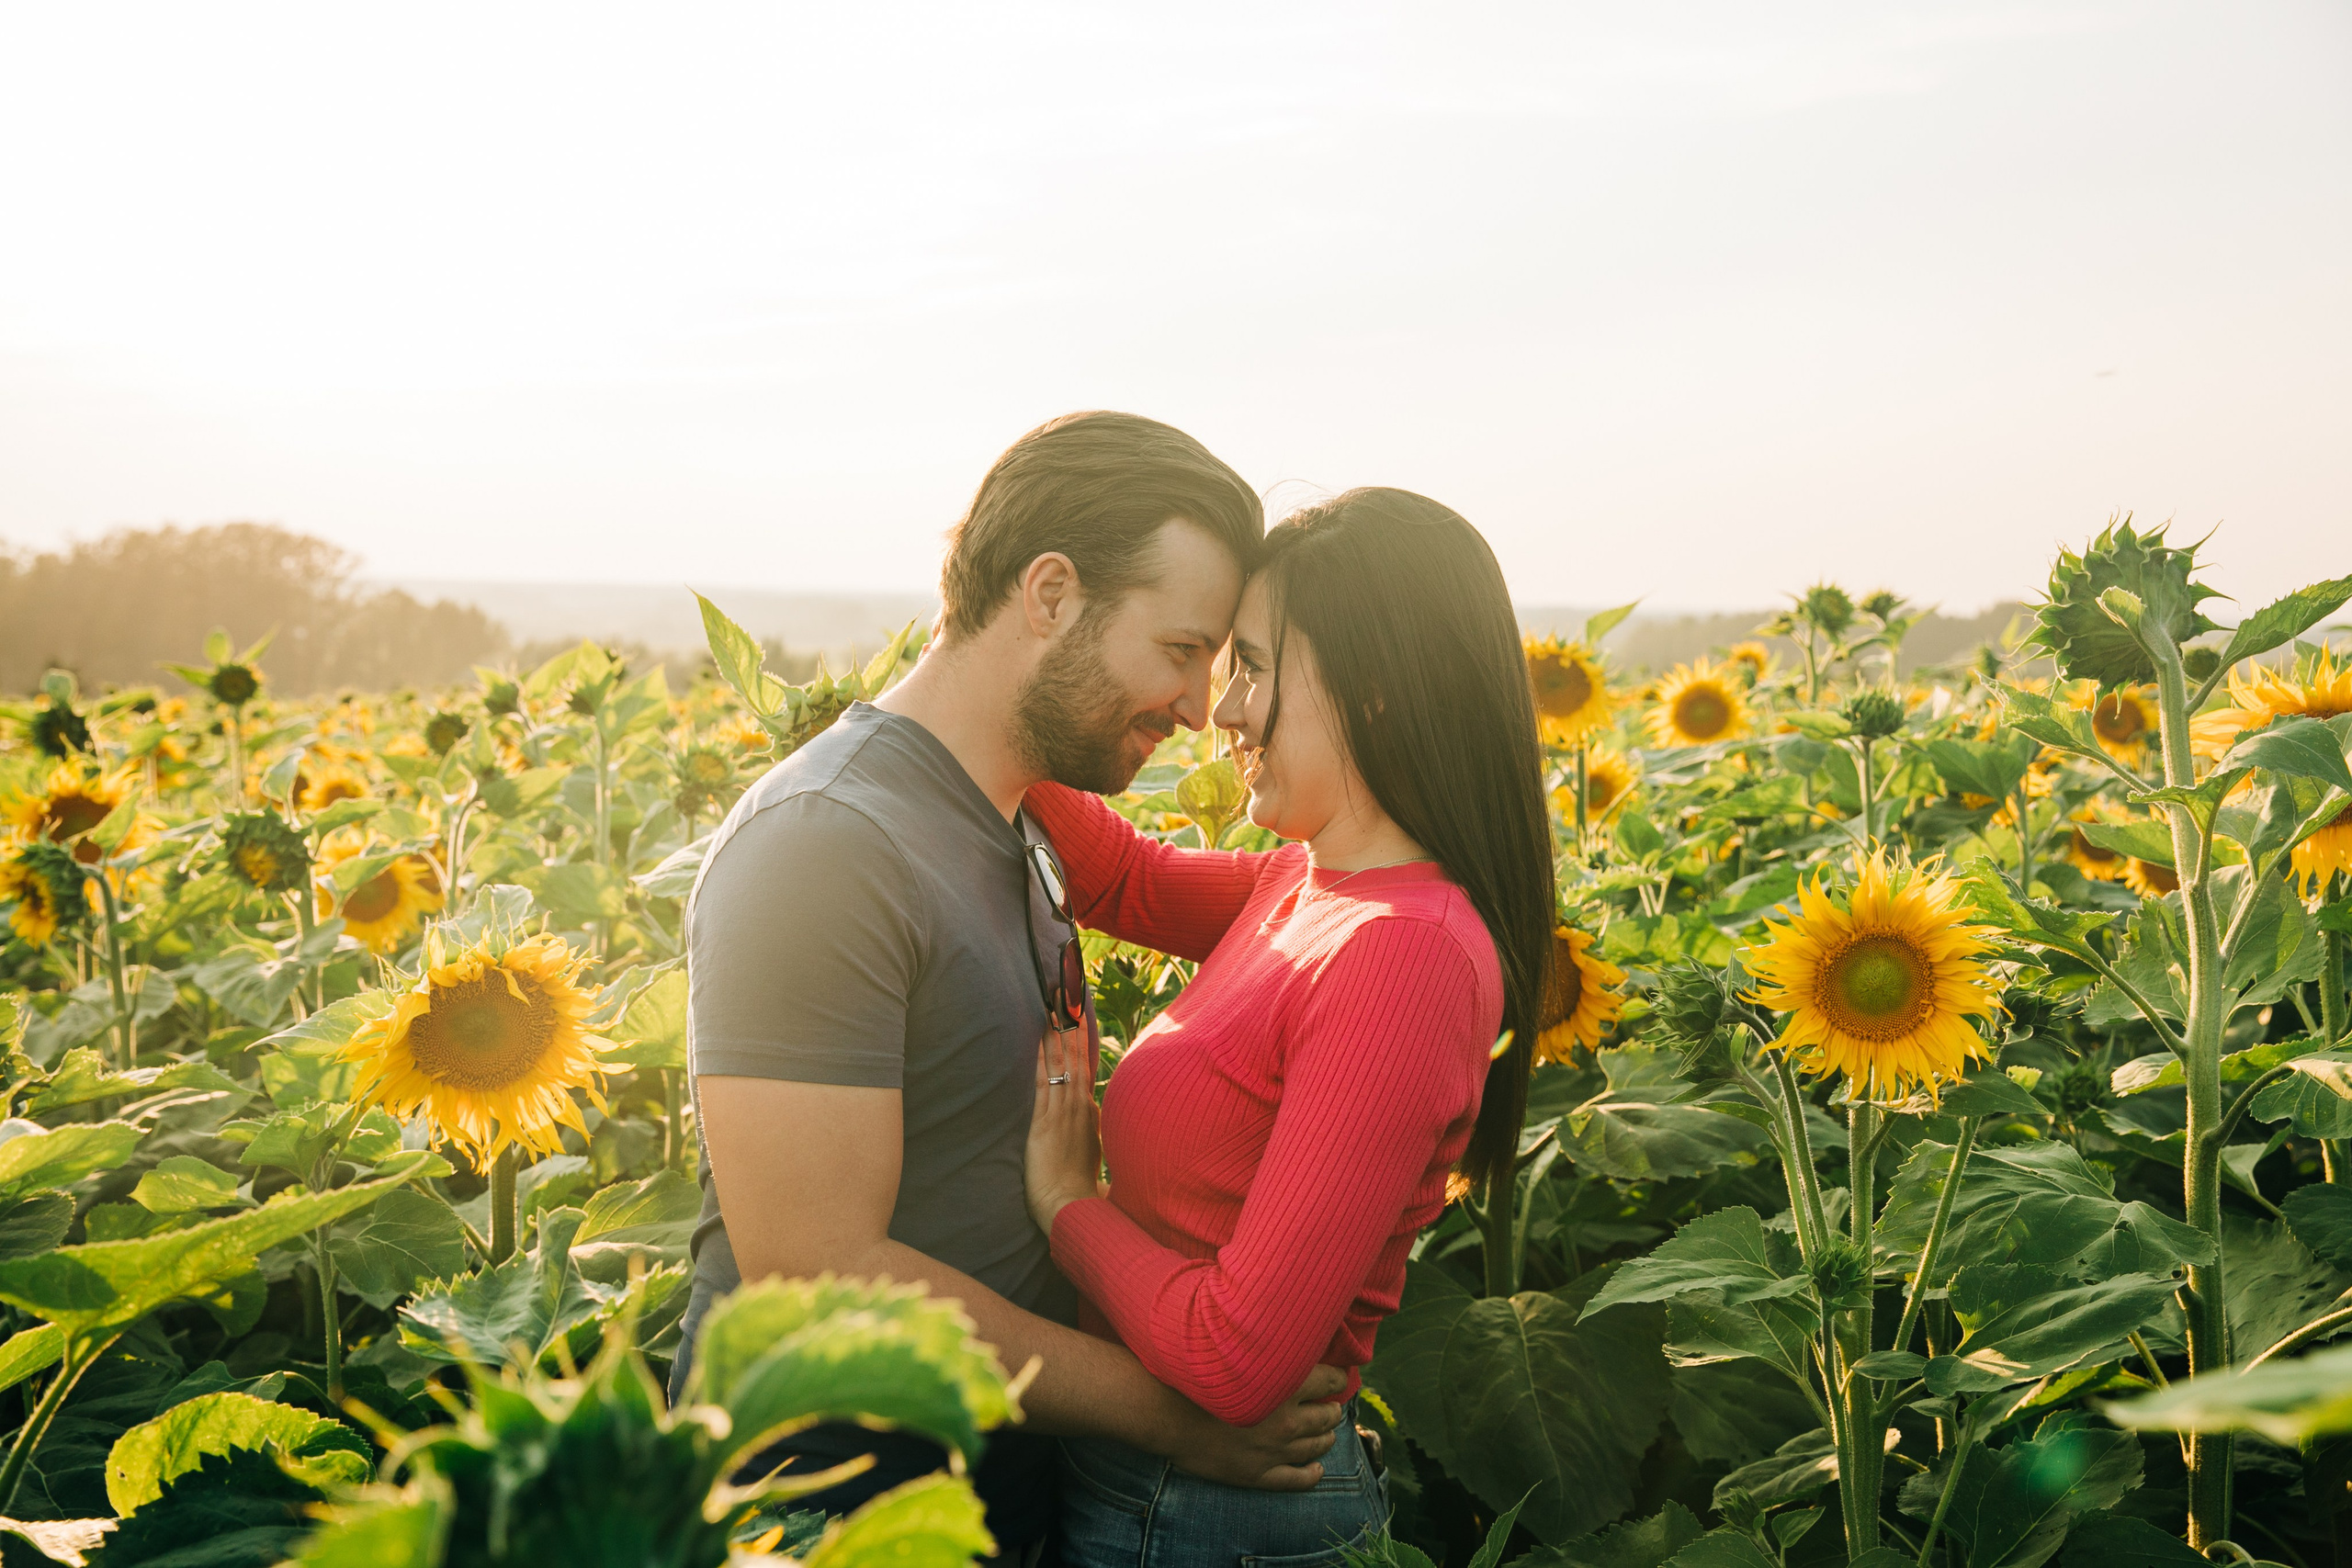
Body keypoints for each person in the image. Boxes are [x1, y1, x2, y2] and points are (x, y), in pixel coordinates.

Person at [674, 411, 1348, 1563]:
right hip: (824, 1503)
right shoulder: (825, 841)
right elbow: (815, 1269)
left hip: (990, 1476)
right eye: (1181, 650)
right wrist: (1170, 1415)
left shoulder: (1012, 814)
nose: (1196, 708)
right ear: (1049, 595)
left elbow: (1202, 885)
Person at [1022, 488, 1555, 1567]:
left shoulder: (1401, 955)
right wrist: (976, 710)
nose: (1222, 711)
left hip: (1216, 1518)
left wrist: (1067, 1206)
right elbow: (1120, 874)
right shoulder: (1308, 885)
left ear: (1376, 690)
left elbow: (1235, 1361)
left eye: (1255, 668)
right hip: (1158, 1488)